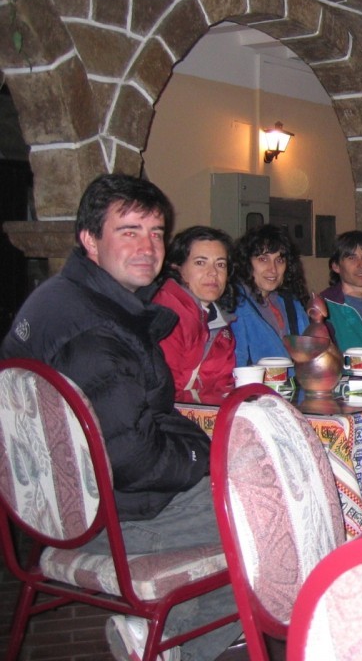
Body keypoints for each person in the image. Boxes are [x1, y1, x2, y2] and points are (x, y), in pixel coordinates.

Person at [0, 174, 239, 661]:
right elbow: (133, 457)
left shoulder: (57, 299)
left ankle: (173, 632)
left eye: (156, 232)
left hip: (52, 512)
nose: (147, 246)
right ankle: (180, 644)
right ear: (90, 239)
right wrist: (204, 450)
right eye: (129, 230)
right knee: (291, 518)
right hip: (110, 521)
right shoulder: (96, 331)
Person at [153, 226, 236, 404]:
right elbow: (164, 393)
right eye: (200, 262)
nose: (213, 272)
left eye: (220, 264)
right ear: (177, 267)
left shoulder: (219, 322)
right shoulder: (168, 315)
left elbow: (224, 385)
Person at [231, 224, 309, 366]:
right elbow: (236, 364)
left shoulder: (290, 303)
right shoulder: (235, 304)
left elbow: (310, 353)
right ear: (246, 262)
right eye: (263, 259)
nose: (273, 269)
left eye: (279, 260)